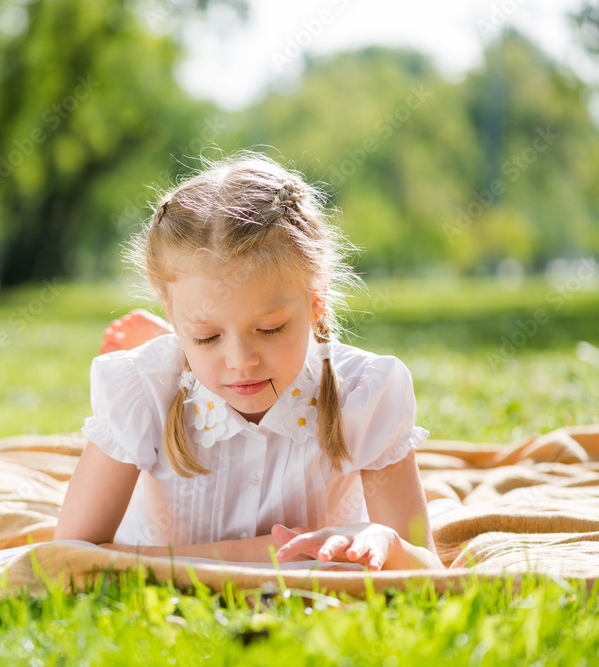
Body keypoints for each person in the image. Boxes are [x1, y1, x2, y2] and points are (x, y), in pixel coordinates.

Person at [54, 151, 444, 570]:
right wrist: (262, 555)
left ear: (316, 303)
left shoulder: (364, 392)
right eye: (207, 336)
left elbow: (428, 568)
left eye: (270, 328)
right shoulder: (141, 388)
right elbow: (67, 558)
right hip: (161, 379)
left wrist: (386, 540)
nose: (241, 362)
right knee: (161, 369)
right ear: (170, 310)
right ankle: (171, 346)